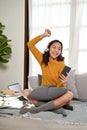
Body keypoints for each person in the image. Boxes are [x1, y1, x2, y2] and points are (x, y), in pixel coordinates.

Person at [20, 29, 73, 116]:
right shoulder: (42, 59)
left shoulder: (62, 65)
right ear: (49, 48)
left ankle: (38, 109)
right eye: (54, 47)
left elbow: (60, 88)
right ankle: (55, 108)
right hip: (44, 92)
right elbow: (30, 44)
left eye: (59, 49)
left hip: (54, 93)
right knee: (25, 92)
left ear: (60, 52)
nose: (56, 50)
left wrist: (63, 83)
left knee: (69, 94)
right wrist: (43, 35)